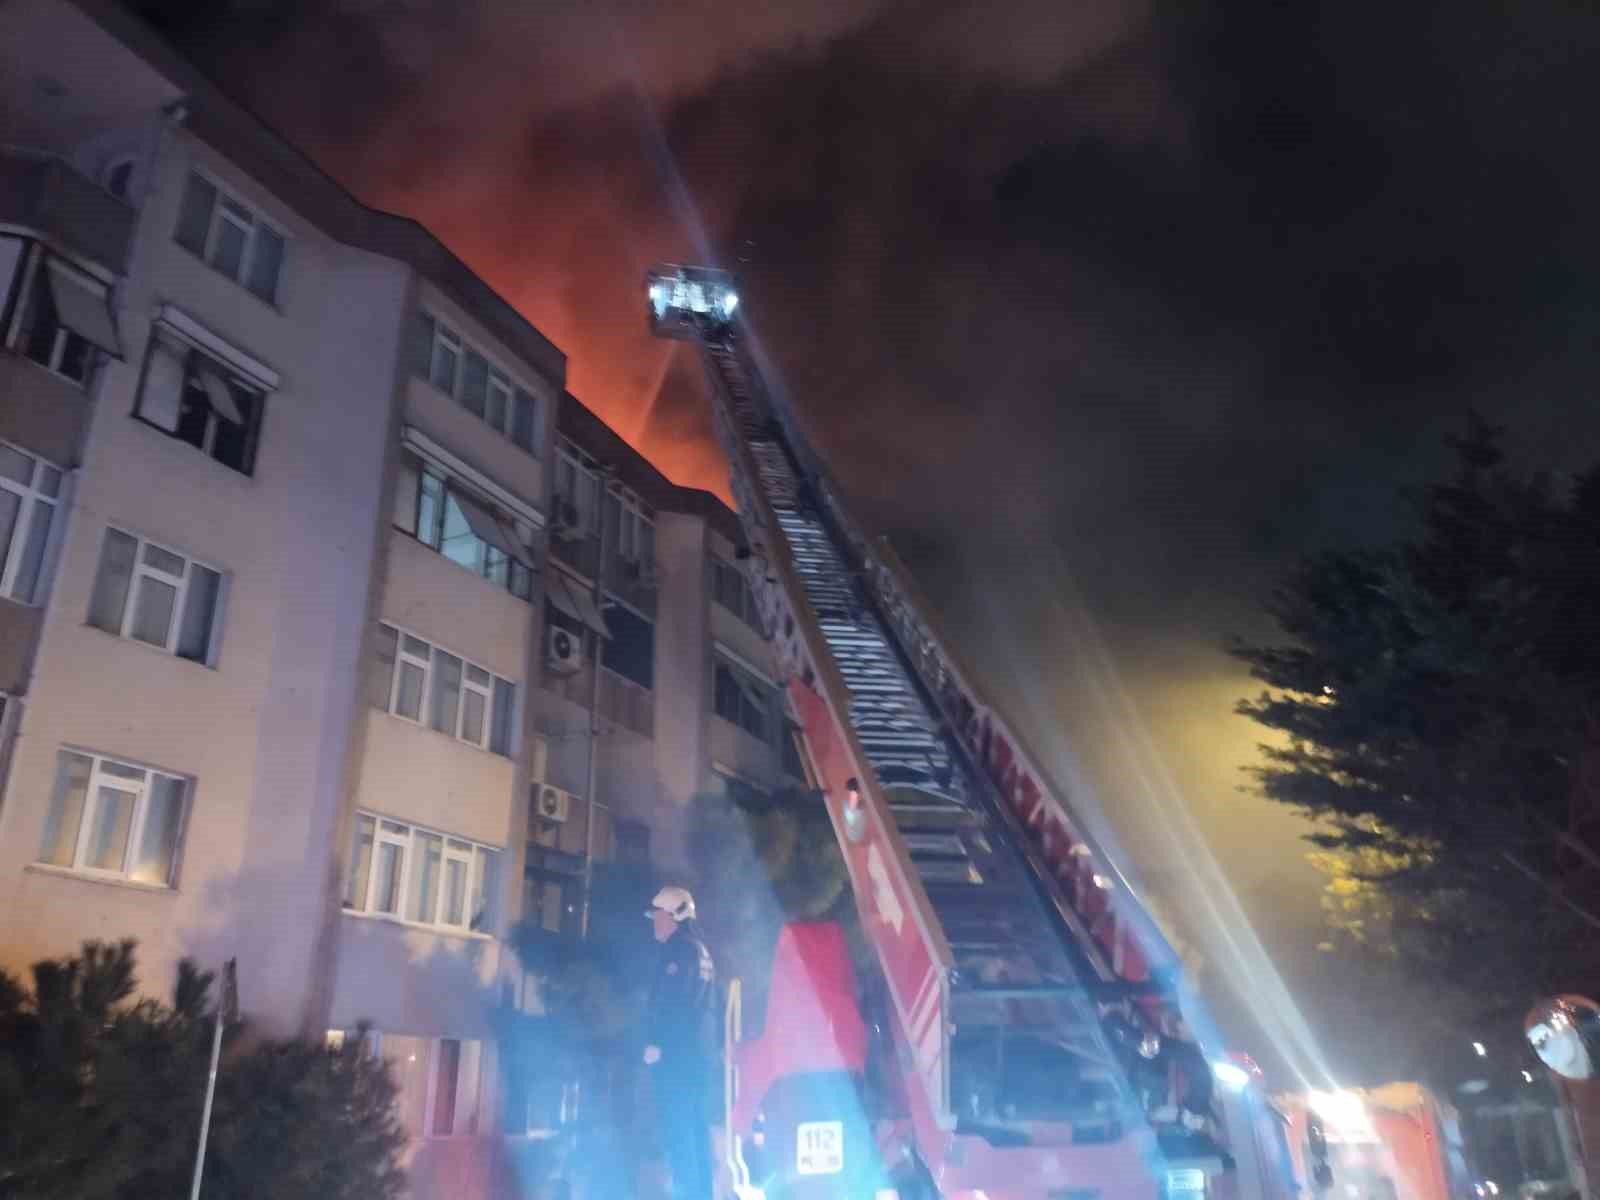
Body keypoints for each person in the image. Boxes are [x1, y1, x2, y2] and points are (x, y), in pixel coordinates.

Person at [643, 885, 716, 1200]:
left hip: (677, 1059)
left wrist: (658, 1043)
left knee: (679, 1135)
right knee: (695, 1133)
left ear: (674, 916)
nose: (654, 922)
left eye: (657, 916)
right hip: (697, 1059)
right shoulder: (701, 950)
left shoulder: (680, 950)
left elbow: (674, 1004)